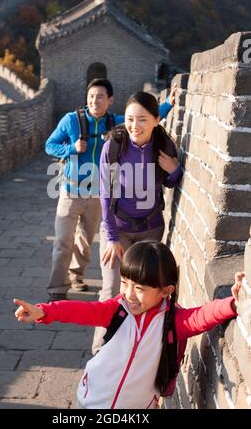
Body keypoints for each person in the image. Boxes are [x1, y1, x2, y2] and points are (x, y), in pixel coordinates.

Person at [14, 240, 244, 409]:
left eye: (140, 288)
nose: (129, 294)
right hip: (91, 400)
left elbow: (203, 315)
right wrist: (44, 311)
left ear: (166, 291)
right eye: (125, 283)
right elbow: (81, 311)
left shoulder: (173, 322)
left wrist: (233, 303)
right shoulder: (117, 310)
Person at [45, 79, 176, 301]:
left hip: (98, 195)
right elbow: (50, 145)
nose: (95, 101)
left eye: (100, 97)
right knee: (62, 242)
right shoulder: (71, 120)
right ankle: (57, 290)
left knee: (86, 241)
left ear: (110, 100)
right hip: (72, 191)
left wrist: (168, 104)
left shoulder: (113, 123)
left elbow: (139, 119)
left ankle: (76, 275)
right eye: (91, 96)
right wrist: (71, 149)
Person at [92, 91, 183, 352]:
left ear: (156, 119)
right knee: (111, 291)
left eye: (142, 119)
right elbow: (105, 194)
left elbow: (169, 183)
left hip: (150, 231)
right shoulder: (115, 146)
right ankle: (102, 350)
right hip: (117, 230)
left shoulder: (164, 145)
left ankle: (136, 349)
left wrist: (174, 171)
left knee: (143, 293)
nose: (134, 126)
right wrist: (110, 237)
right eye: (130, 119)